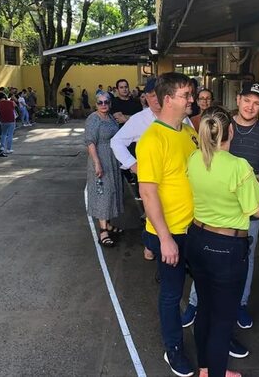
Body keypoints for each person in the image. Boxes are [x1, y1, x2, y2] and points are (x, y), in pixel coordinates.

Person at [182, 82, 259, 335]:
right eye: (247, 100)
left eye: (257, 103)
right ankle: (195, 303)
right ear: (238, 99)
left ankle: (240, 305)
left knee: (244, 262)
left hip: (247, 212)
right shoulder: (221, 125)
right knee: (213, 266)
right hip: (216, 213)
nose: (251, 106)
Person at [186, 106, 259, 377]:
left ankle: (206, 370)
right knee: (222, 320)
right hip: (226, 248)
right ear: (230, 131)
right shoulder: (238, 166)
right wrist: (254, 186)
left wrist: (250, 185)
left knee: (206, 309)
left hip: (197, 239)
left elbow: (215, 188)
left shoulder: (194, 159)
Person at [136, 72, 198, 377]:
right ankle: (173, 347)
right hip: (170, 233)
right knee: (172, 295)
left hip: (196, 228)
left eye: (191, 94)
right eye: (186, 95)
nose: (192, 100)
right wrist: (164, 239)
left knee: (210, 286)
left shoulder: (188, 133)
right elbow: (147, 193)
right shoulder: (152, 139)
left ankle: (214, 337)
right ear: (168, 99)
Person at [110, 79, 194, 261]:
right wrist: (132, 165)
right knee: (154, 216)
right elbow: (116, 142)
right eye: (152, 97)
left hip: (176, 185)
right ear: (146, 98)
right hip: (152, 181)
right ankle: (155, 246)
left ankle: (157, 247)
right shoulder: (139, 119)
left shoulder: (183, 119)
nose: (156, 100)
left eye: (159, 95)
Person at [84, 91, 124, 247]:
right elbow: (90, 142)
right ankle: (103, 232)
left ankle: (107, 224)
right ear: (96, 104)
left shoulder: (111, 118)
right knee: (103, 193)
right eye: (100, 102)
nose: (103, 105)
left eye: (106, 102)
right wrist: (97, 163)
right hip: (100, 157)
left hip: (112, 159)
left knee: (111, 191)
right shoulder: (93, 119)